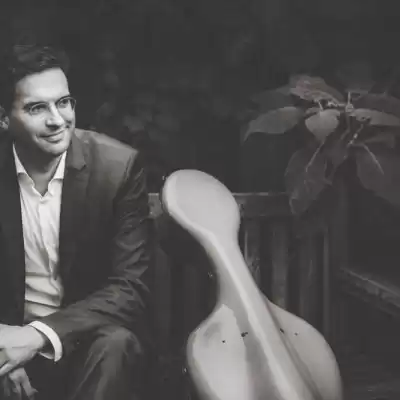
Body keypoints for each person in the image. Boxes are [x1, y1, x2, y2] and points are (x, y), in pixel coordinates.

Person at [0, 44, 153, 400]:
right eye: (37, 108)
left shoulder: (116, 169)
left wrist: (36, 336)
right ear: (4, 119)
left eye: (64, 102)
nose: (57, 120)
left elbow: (131, 288)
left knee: (116, 344)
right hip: (7, 341)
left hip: (85, 343)